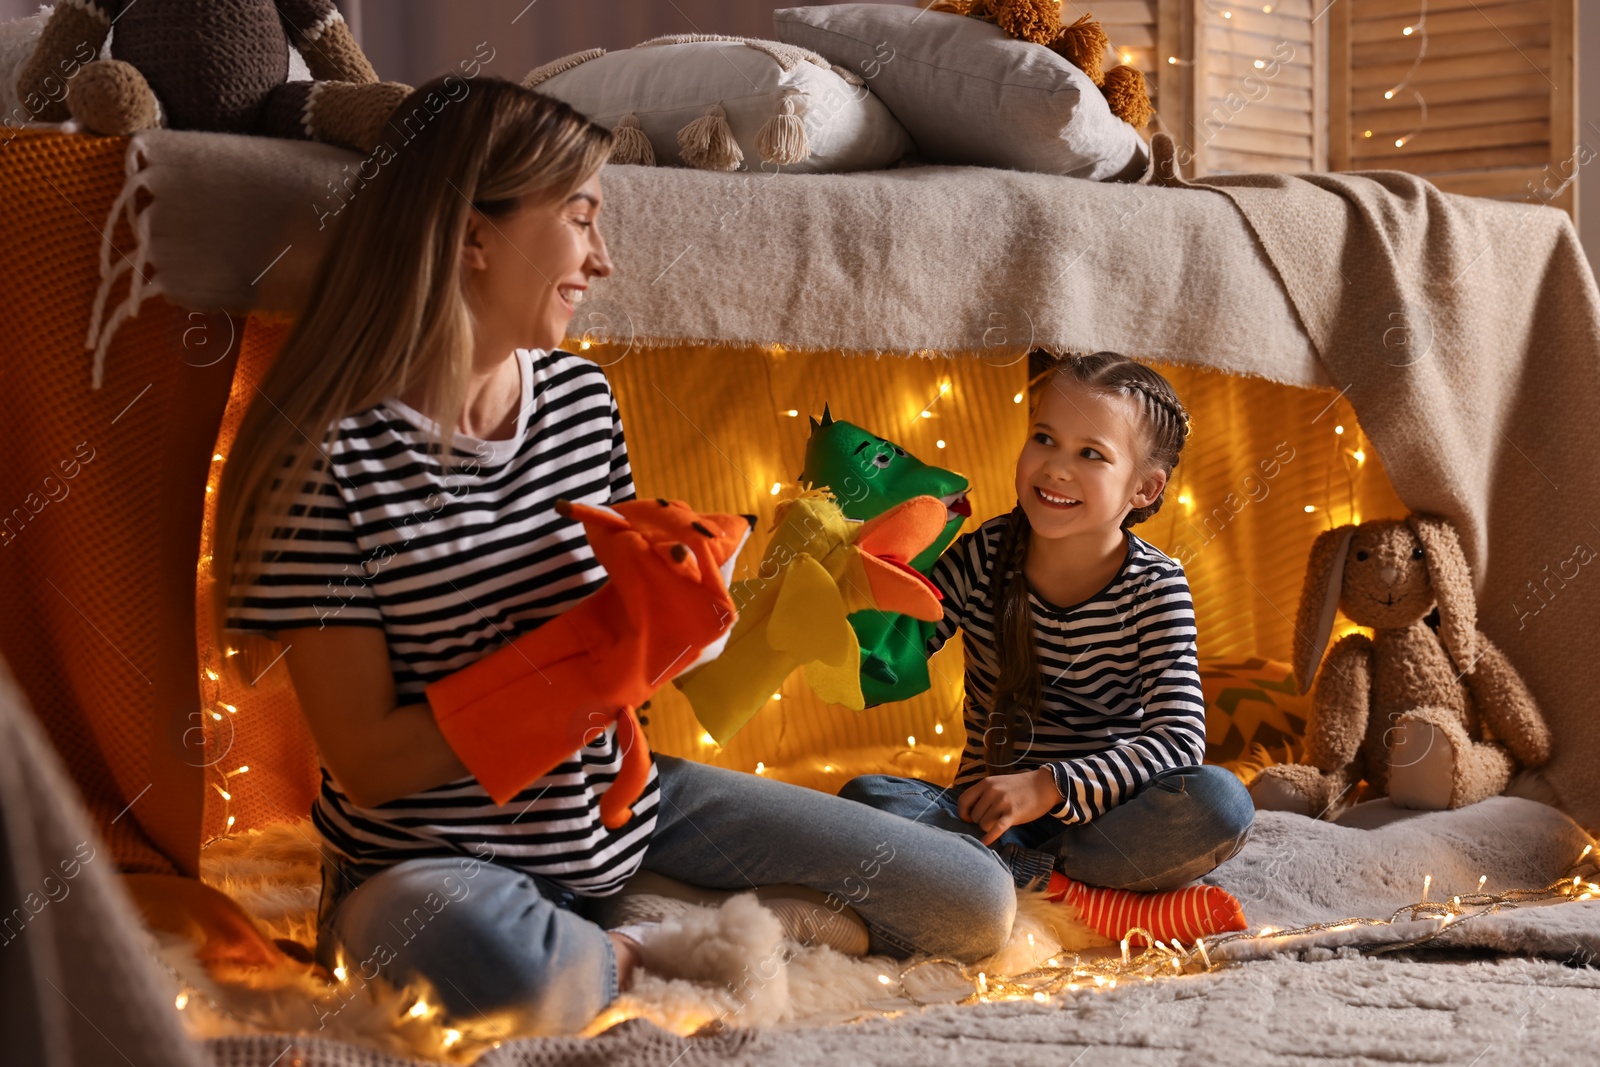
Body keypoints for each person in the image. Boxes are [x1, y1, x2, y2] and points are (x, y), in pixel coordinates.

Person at [212, 75, 1015, 1037]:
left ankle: (619, 921)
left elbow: (627, 656)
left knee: (969, 899)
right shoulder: (327, 457)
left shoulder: (581, 403)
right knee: (510, 973)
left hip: (612, 816)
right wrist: (601, 652)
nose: (601, 258)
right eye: (581, 218)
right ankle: (648, 943)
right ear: (473, 236)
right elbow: (375, 762)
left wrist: (694, 620)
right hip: (426, 861)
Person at [841, 352, 1255, 946]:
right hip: (988, 825)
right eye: (1044, 438)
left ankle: (1034, 885)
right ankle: (1077, 900)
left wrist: (1047, 786)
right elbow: (890, 657)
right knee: (868, 801)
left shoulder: (1154, 585)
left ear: (1144, 488)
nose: (1056, 468)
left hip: (1105, 830)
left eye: (1091, 453)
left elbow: (1177, 740)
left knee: (1221, 804)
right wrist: (857, 589)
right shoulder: (985, 555)